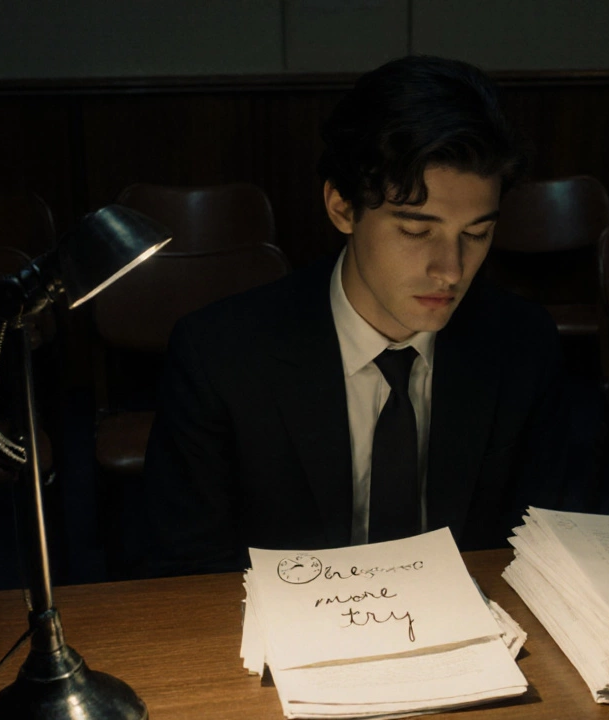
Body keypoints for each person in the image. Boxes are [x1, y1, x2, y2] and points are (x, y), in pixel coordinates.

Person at [140, 55, 565, 575]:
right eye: (416, 231)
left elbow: (548, 542)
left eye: (476, 234)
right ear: (342, 207)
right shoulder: (220, 356)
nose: (450, 270)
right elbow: (186, 571)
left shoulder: (524, 343)